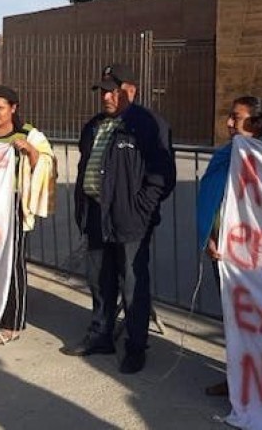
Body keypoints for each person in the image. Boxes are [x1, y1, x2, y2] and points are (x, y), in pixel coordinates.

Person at [64, 64, 175, 374]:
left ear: (131, 91)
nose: (106, 97)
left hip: (131, 219)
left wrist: (141, 208)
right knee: (99, 279)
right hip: (97, 215)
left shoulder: (148, 124)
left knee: (132, 283)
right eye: (103, 91)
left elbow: (162, 175)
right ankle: (100, 334)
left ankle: (136, 346)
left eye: (113, 90)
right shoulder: (94, 126)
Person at [196, 96, 262, 396]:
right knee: (235, 321)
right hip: (224, 252)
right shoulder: (226, 154)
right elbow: (212, 199)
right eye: (230, 116)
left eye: (236, 118)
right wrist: (210, 235)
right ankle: (237, 378)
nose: (228, 123)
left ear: (258, 123)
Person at [0, 85, 55, 345]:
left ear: (13, 109)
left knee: (12, 262)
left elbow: (47, 164)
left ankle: (13, 323)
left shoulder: (29, 134)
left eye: (0, 108)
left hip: (12, 205)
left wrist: (30, 151)